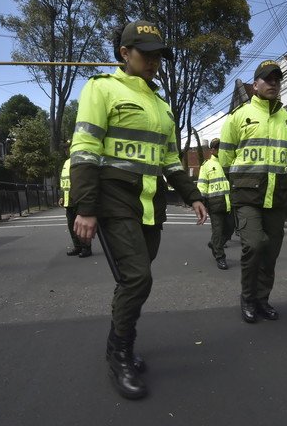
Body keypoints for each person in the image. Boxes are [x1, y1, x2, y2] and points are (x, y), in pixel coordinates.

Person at [69, 20, 207, 400]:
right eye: (145, 53)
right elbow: (85, 149)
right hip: (114, 201)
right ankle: (119, 354)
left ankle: (123, 342)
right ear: (124, 53)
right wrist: (86, 207)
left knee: (135, 280)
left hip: (150, 204)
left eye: (157, 55)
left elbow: (169, 159)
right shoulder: (102, 89)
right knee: (137, 279)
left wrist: (193, 195)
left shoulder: (161, 105)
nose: (153, 61)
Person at [219, 59, 287, 324]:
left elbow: (284, 162)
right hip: (247, 195)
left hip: (277, 195)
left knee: (271, 251)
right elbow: (225, 159)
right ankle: (248, 297)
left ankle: (262, 299)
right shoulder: (239, 116)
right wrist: (239, 183)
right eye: (267, 79)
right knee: (253, 245)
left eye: (277, 79)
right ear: (255, 84)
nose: (273, 83)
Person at [197, 138, 234, 270]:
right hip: (214, 204)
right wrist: (202, 204)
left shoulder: (229, 162)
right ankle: (220, 256)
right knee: (218, 231)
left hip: (229, 203)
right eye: (217, 148)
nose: (220, 150)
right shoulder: (206, 165)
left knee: (230, 230)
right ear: (212, 150)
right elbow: (202, 185)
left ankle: (214, 244)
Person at [60, 157, 92, 257]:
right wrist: (62, 196)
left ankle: (86, 248)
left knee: (81, 225)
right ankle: (77, 247)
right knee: (71, 226)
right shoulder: (66, 162)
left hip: (78, 198)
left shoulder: (79, 160)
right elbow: (64, 181)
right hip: (68, 200)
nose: (66, 150)